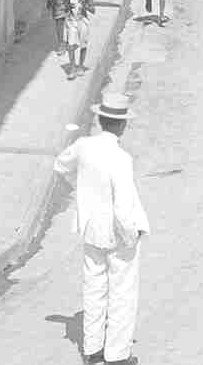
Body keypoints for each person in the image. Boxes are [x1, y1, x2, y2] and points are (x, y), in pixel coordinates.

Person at [54, 90, 149, 365]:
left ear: (101, 120)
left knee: (94, 287)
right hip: (118, 235)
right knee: (122, 293)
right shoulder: (121, 158)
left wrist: (81, 191)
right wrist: (131, 235)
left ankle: (92, 348)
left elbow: (61, 165)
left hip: (91, 229)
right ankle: (117, 354)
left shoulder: (84, 146)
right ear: (122, 125)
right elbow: (122, 207)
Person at [64, 0, 95, 80]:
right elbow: (65, 8)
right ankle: (72, 68)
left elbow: (93, 10)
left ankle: (81, 66)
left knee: (83, 44)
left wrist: (85, 6)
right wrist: (69, 7)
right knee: (70, 45)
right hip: (72, 21)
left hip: (82, 21)